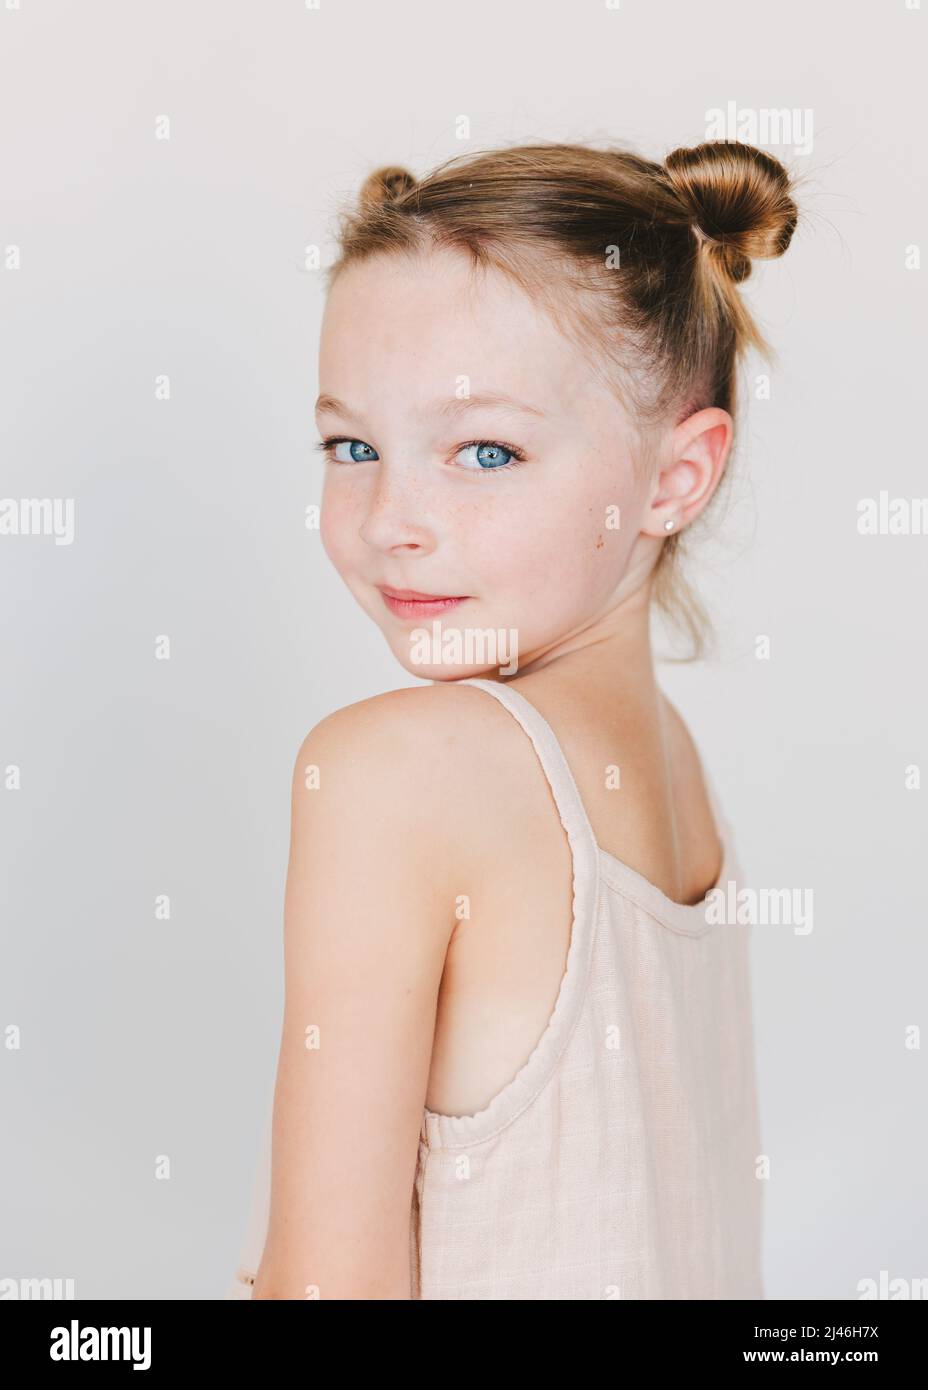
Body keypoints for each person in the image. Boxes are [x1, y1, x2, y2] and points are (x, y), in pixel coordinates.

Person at [226, 138, 799, 1300]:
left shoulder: (402, 770)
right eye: (353, 446)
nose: (392, 517)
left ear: (674, 479)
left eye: (486, 450)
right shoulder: (675, 775)